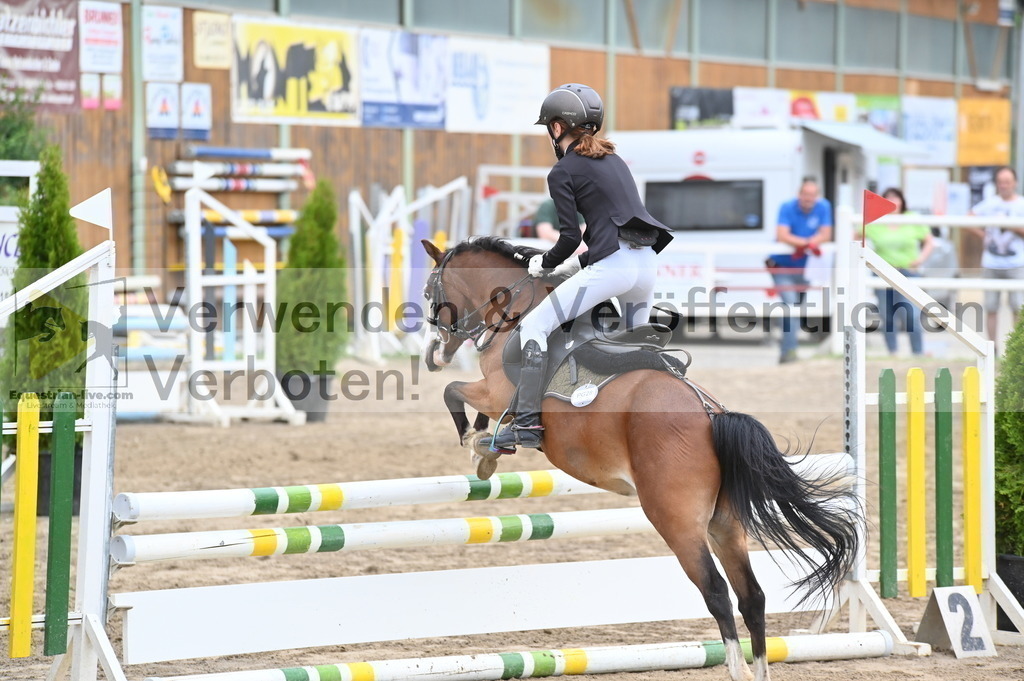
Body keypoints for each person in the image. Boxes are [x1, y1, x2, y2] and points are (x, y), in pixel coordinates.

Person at [490, 83, 673, 451]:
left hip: (613, 268)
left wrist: (545, 263)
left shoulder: (563, 171)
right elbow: (614, 224)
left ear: (557, 128)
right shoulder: (615, 160)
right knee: (637, 340)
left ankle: (526, 424)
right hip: (645, 265)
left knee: (535, 327)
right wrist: (575, 268)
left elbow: (571, 236)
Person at [862, 188, 933, 355]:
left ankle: (918, 352)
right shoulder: (875, 219)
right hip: (882, 272)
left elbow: (929, 241)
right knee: (887, 315)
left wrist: (921, 259)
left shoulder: (912, 218)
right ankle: (892, 351)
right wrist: (866, 257)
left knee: (911, 315)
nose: (893, 201)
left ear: (902, 200)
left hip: (908, 271)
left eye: (896, 197)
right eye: (888, 198)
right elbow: (857, 236)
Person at [768, 179, 832, 364]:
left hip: (806, 267)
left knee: (796, 307)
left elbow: (826, 234)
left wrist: (808, 242)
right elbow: (782, 235)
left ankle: (788, 350)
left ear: (816, 196)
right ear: (799, 194)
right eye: (806, 194)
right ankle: (790, 350)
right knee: (791, 306)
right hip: (782, 265)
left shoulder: (823, 206)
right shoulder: (787, 207)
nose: (808, 199)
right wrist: (808, 243)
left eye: (812, 195)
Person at [968, 166, 1024, 343]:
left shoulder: (1021, 204)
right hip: (992, 263)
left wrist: (1008, 224)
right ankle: (993, 349)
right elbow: (967, 218)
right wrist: (984, 235)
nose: (1004, 185)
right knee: (991, 307)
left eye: (1007, 182)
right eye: (1000, 182)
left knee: (1018, 308)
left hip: (1017, 263)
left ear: (1015, 183)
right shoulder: (990, 203)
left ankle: (1015, 349)